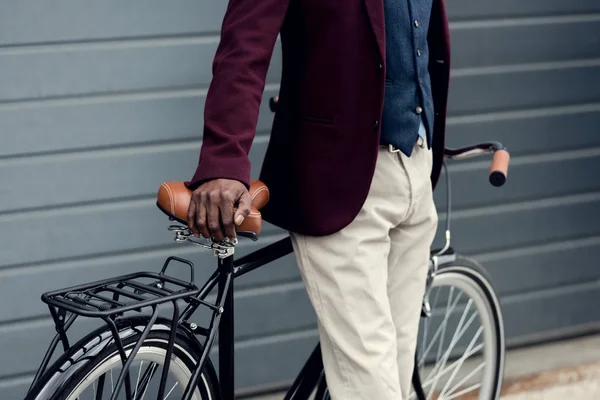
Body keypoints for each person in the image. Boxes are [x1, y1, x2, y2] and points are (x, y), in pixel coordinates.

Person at [185, 0, 450, 398]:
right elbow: (245, 47)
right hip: (338, 183)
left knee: (397, 365)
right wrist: (223, 161)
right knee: (372, 386)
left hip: (415, 167)